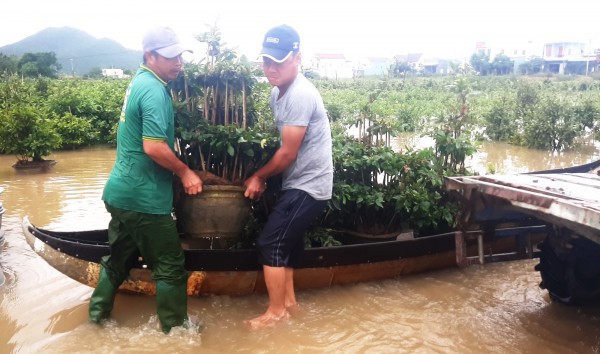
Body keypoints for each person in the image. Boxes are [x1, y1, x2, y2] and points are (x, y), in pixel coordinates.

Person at [88, 26, 203, 334]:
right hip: (144, 199)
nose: (177, 62)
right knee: (169, 266)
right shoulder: (153, 89)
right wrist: (184, 171)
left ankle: (96, 319)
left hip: (120, 194)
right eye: (169, 57)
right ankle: (177, 334)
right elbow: (153, 146)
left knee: (118, 258)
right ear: (149, 56)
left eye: (179, 55)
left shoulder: (138, 82)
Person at [243, 24, 333, 329]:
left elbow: (287, 153)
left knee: (271, 244)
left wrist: (259, 177)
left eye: (278, 61)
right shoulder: (276, 94)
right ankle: (290, 304)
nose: (271, 68)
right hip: (299, 182)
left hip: (309, 185)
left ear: (297, 57)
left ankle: (276, 313)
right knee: (288, 244)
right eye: (266, 61)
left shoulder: (300, 94)